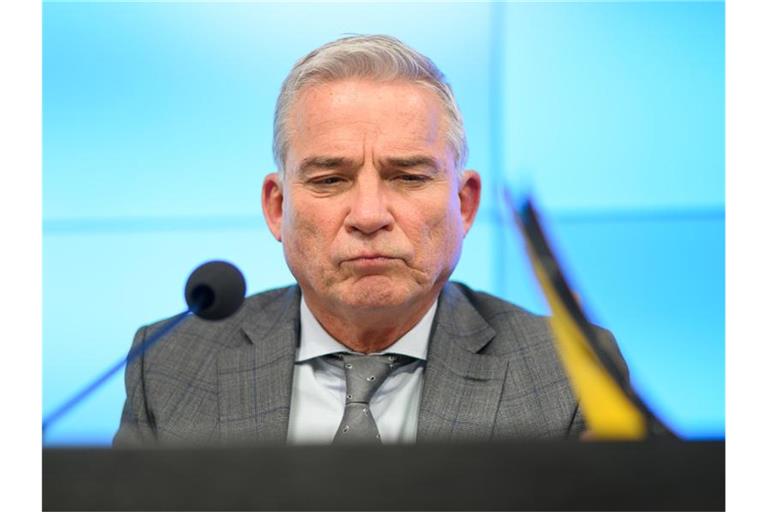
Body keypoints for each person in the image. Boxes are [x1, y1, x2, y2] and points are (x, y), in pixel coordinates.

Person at [114, 34, 625, 446]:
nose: (368, 215)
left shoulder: (567, 372)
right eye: (329, 180)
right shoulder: (171, 365)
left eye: (407, 177)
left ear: (465, 204)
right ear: (277, 207)